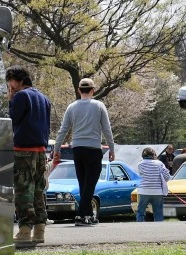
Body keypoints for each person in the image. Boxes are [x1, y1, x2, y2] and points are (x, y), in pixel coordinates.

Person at [54, 77, 116, 226]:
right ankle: (81, 215)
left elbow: (63, 130)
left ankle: (89, 215)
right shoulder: (99, 105)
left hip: (77, 148)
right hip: (94, 148)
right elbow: (106, 129)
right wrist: (112, 148)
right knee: (90, 183)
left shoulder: (72, 107)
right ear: (93, 90)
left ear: (78, 90)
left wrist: (56, 149)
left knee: (83, 183)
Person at [7, 66, 53, 245]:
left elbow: (13, 119)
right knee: (38, 190)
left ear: (16, 80)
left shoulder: (20, 96)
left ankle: (25, 230)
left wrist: (11, 100)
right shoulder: (43, 98)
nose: (9, 87)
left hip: (23, 150)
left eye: (10, 83)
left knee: (23, 190)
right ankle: (39, 230)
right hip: (41, 150)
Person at [135, 147, 171, 222]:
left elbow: (141, 175)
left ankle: (139, 225)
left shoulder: (140, 164)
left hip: (144, 190)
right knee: (158, 212)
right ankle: (159, 227)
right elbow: (167, 176)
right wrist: (163, 181)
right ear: (153, 154)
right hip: (157, 191)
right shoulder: (159, 163)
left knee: (140, 211)